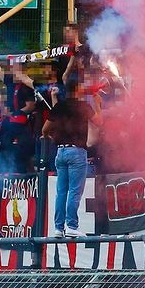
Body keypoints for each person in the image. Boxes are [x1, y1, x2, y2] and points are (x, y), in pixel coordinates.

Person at [42, 94, 100, 238]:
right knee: (74, 191)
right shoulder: (83, 106)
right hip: (77, 152)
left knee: (61, 192)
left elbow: (44, 129)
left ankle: (58, 228)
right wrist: (98, 104)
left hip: (60, 152)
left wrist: (48, 136)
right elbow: (99, 121)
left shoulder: (59, 106)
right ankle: (72, 226)